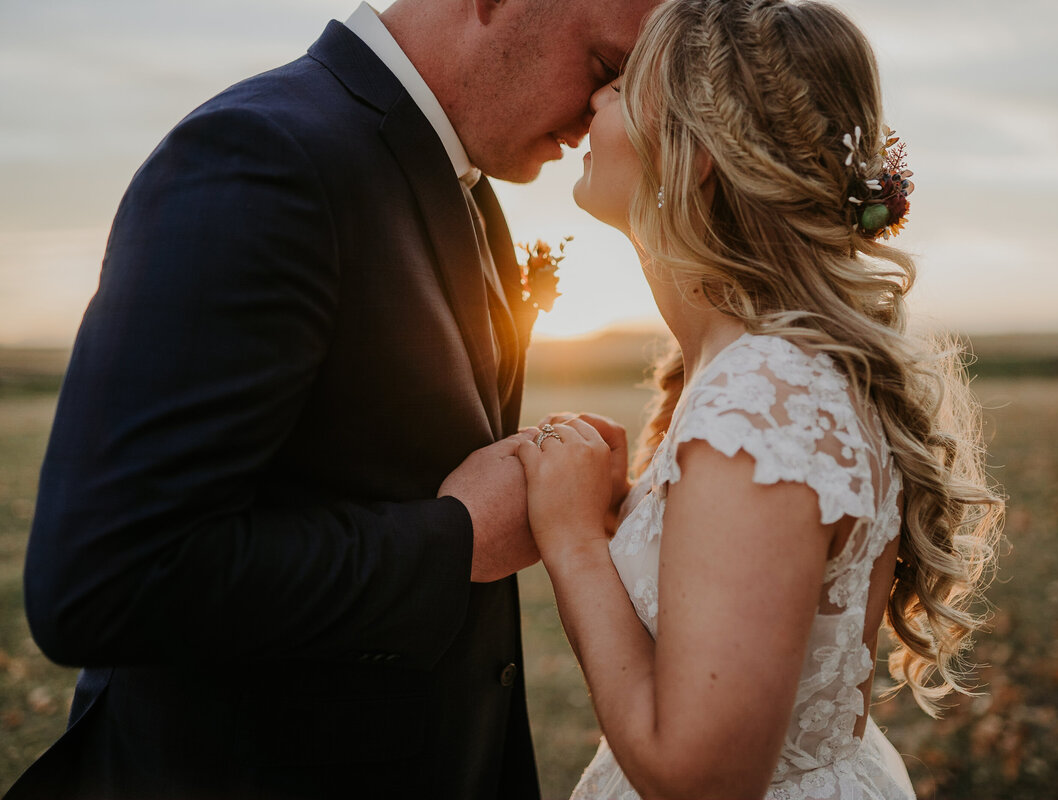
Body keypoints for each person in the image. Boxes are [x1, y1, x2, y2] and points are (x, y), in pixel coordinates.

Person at [11, 0, 657, 797]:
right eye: (604, 66)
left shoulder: (460, 186)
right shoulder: (262, 156)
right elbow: (104, 581)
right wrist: (453, 540)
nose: (604, 114)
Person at [517, 1, 1005, 798]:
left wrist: (572, 542)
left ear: (694, 153)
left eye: (622, 84)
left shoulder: (764, 398)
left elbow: (702, 778)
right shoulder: (760, 370)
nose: (593, 100)